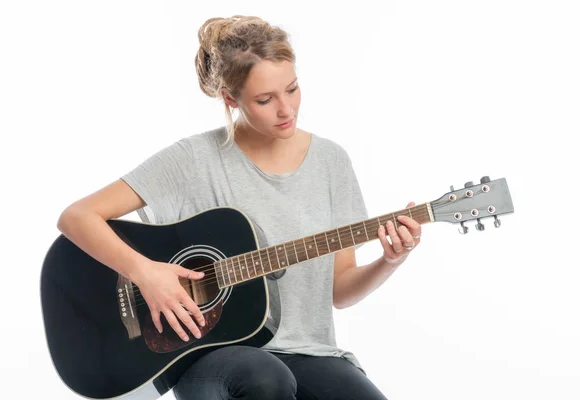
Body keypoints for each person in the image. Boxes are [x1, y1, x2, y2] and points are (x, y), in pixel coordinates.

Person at [56, 15, 422, 400]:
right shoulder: (192, 159)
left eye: (293, 89)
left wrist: (390, 260)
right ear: (231, 98)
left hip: (309, 352)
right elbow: (76, 217)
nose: (286, 110)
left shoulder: (331, 161)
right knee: (264, 377)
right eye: (265, 100)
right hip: (207, 355)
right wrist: (147, 275)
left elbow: (340, 291)